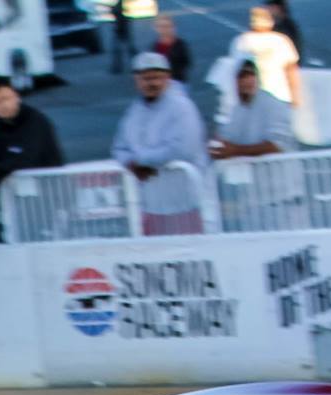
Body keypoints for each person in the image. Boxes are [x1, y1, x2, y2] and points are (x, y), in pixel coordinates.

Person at [113, 53, 210, 232]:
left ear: (167, 77)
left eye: (157, 77)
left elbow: (183, 148)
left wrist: (142, 160)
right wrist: (132, 164)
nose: (152, 83)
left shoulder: (182, 107)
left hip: (184, 204)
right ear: (136, 80)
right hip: (151, 206)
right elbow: (119, 147)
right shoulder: (134, 112)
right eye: (146, 78)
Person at [0, 78, 66, 185]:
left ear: (17, 96)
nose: (2, 105)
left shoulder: (34, 121)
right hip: (16, 190)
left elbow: (23, 162)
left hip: (48, 188)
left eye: (5, 98)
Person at [212, 60, 297, 157]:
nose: (247, 80)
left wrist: (236, 150)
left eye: (251, 74)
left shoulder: (272, 105)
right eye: (242, 76)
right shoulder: (236, 111)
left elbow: (278, 146)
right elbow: (226, 140)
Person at [230, 5, 302, 107]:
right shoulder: (281, 40)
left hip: (251, 99)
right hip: (279, 97)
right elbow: (291, 71)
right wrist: (295, 97)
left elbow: (237, 73)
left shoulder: (240, 41)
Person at [148, 14, 193, 84]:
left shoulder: (180, 45)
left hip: (177, 82)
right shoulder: (154, 47)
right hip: (159, 85)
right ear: (156, 28)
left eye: (167, 26)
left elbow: (186, 63)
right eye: (161, 27)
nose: (164, 29)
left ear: (173, 28)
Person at [110, 0, 135, 75]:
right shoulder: (119, 6)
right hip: (121, 31)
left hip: (121, 31)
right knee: (126, 50)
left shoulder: (119, 7)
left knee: (122, 50)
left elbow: (115, 12)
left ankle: (117, 68)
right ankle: (117, 67)